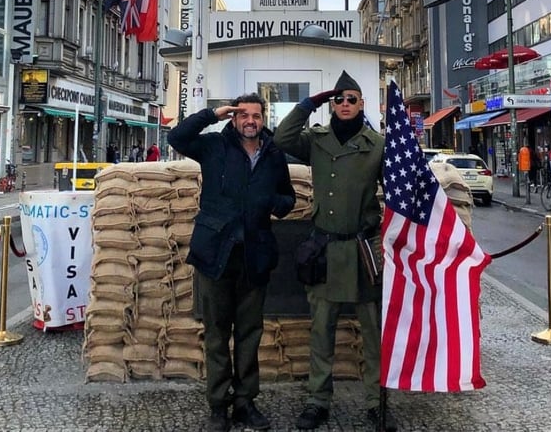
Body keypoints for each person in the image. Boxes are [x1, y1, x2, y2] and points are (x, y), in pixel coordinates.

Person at [273, 71, 396, 432]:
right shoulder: (316, 140)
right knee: (321, 330)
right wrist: (309, 103)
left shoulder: (378, 144)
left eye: (351, 99)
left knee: (373, 331)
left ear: (362, 104)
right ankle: (317, 400)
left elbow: (398, 192)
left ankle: (377, 401)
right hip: (324, 249)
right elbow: (282, 137)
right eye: (338, 99)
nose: (344, 105)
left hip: (363, 248)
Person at [167, 93, 295, 432]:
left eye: (256, 115)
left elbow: (288, 196)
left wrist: (274, 202)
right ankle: (218, 406)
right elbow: (176, 137)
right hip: (216, 255)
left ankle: (245, 402)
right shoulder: (213, 146)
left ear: (263, 118)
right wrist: (212, 113)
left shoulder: (273, 153)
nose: (250, 120)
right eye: (244, 115)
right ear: (234, 119)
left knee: (250, 334)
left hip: (256, 255)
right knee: (217, 334)